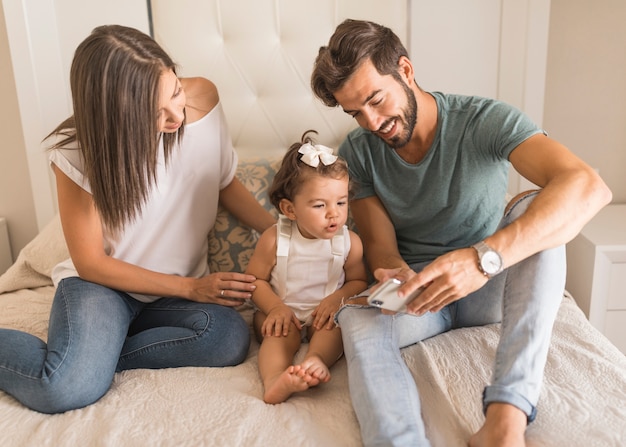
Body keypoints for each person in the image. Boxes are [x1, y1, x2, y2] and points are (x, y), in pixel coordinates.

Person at [311, 19, 612, 447]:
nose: (372, 121)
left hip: (492, 284)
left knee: (536, 209)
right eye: (355, 112)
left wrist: (480, 260)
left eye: (376, 100)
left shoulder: (484, 120)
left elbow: (589, 187)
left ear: (406, 71)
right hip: (422, 297)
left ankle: (506, 419)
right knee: (357, 317)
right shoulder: (358, 152)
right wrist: (396, 275)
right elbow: (381, 248)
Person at [0, 25, 275, 414]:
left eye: (175, 91)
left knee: (226, 338)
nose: (176, 114)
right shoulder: (80, 154)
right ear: (116, 115)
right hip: (103, 288)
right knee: (62, 389)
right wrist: (191, 288)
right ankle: (82, 365)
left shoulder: (204, 100)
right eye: (153, 110)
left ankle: (95, 358)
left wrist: (278, 231)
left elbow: (222, 180)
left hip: (168, 298)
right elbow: (91, 263)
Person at [245, 132, 368, 404]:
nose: (333, 213)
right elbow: (254, 281)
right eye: (319, 205)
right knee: (278, 334)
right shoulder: (275, 238)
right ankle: (276, 379)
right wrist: (275, 307)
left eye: (341, 202)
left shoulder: (350, 243)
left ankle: (315, 360)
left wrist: (336, 299)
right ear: (290, 209)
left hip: (323, 314)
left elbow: (359, 282)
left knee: (334, 329)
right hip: (280, 311)